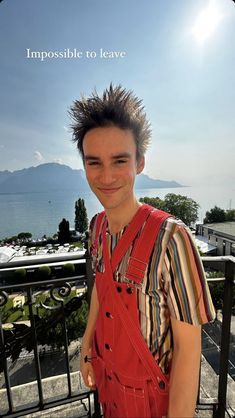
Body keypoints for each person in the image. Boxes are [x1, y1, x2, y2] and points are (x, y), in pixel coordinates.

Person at [69, 84, 215, 418]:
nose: (106, 176)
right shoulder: (97, 227)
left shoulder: (171, 239)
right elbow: (101, 289)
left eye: (120, 160)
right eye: (94, 163)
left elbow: (189, 353)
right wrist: (86, 347)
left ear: (140, 162)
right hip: (111, 392)